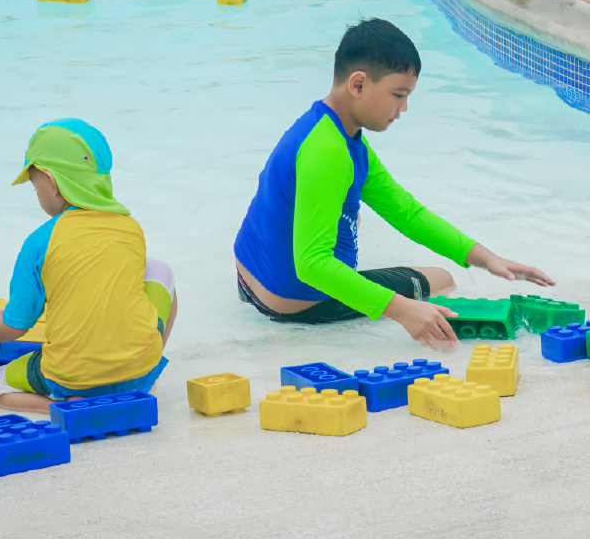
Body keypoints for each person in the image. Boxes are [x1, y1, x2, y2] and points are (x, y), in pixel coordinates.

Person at [235, 18, 553, 351]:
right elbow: (312, 265)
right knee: (442, 280)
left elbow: (405, 212)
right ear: (358, 84)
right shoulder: (330, 152)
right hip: (295, 302)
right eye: (398, 95)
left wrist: (486, 258)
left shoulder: (326, 129)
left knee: (350, 212)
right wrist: (403, 310)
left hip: (250, 276)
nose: (403, 108)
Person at [0, 119, 176, 411]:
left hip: (69, 377)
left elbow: (15, 325)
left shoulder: (39, 241)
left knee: (0, 384)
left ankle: (66, 408)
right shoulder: (131, 227)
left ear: (52, 183)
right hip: (138, 370)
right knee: (160, 270)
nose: (37, 195)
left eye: (35, 187)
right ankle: (142, 375)